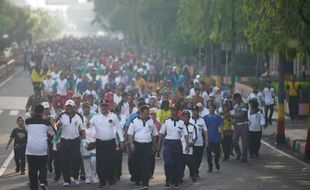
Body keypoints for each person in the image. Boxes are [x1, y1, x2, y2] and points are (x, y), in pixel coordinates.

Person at [89, 99, 124, 188]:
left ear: (108, 106)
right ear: (100, 107)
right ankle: (102, 180)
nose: (104, 107)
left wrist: (122, 140)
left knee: (111, 161)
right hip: (100, 142)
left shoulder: (113, 116)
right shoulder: (95, 117)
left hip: (111, 142)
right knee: (100, 162)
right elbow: (87, 126)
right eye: (102, 105)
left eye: (106, 105)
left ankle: (111, 178)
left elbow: (119, 128)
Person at [157, 105, 190, 188]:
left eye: (175, 110)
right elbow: (161, 134)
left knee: (177, 163)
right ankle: (168, 180)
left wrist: (187, 144)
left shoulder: (182, 122)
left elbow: (185, 134)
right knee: (168, 163)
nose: (173, 112)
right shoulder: (166, 121)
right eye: (172, 110)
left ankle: (175, 181)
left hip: (177, 143)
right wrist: (158, 145)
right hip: (168, 143)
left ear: (178, 111)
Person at [128, 105, 159, 190]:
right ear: (141, 113)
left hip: (147, 145)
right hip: (137, 145)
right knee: (137, 163)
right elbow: (130, 134)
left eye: (148, 114)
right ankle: (138, 181)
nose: (147, 115)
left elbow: (155, 134)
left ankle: (145, 183)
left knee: (146, 164)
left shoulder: (151, 122)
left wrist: (154, 144)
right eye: (145, 114)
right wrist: (131, 144)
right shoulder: (134, 121)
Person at [25, 104, 55, 190]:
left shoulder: (28, 121)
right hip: (42, 148)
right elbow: (53, 133)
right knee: (43, 166)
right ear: (43, 112)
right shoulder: (46, 122)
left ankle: (34, 186)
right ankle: (42, 182)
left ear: (34, 111)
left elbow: (27, 130)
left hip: (30, 149)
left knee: (32, 168)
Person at [56, 100, 85, 187]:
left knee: (76, 160)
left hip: (75, 141)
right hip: (64, 141)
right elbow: (56, 126)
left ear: (74, 108)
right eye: (67, 107)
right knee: (65, 161)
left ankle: (76, 177)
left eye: (70, 107)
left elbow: (82, 129)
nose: (68, 108)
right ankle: (66, 180)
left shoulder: (78, 117)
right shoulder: (62, 116)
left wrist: (84, 140)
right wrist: (58, 125)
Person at [80, 102, 98, 184]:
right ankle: (88, 176)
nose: (86, 109)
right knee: (86, 160)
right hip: (84, 140)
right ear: (83, 108)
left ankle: (94, 175)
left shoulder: (94, 116)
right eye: (84, 107)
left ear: (89, 108)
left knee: (94, 160)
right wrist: (82, 140)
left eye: (87, 107)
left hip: (93, 141)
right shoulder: (80, 117)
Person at [203, 104, 223, 172]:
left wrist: (221, 134)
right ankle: (210, 167)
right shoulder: (205, 118)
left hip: (216, 137)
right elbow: (204, 128)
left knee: (217, 153)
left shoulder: (218, 117)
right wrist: (205, 138)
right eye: (210, 108)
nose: (211, 109)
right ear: (208, 109)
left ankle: (216, 162)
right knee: (208, 154)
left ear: (215, 109)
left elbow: (220, 126)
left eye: (212, 108)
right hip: (208, 138)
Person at [180, 110, 197, 183]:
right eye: (184, 117)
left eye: (187, 117)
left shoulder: (193, 127)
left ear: (189, 117)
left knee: (191, 164)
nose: (186, 118)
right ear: (182, 117)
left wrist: (190, 144)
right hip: (180, 149)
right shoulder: (179, 126)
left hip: (190, 149)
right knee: (181, 165)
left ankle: (193, 175)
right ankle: (180, 177)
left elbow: (195, 138)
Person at [190, 105, 207, 177]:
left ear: (198, 112)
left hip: (200, 142)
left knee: (199, 159)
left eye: (196, 111)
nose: (194, 112)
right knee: (192, 159)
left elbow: (205, 130)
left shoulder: (202, 120)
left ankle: (196, 170)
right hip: (191, 143)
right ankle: (193, 172)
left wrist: (207, 140)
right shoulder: (189, 120)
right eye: (193, 111)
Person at [232, 92, 249, 162]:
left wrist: (234, 115)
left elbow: (242, 114)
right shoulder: (236, 106)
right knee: (234, 140)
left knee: (244, 142)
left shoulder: (244, 105)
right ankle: (238, 152)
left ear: (239, 98)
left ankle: (244, 156)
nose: (235, 100)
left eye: (236, 98)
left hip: (244, 125)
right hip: (237, 125)